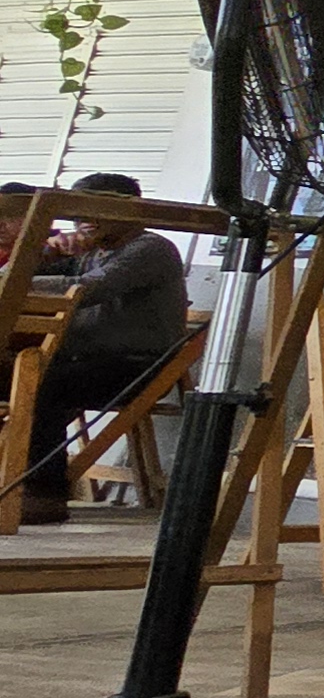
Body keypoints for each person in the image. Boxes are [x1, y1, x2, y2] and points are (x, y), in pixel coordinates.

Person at [21, 177, 194, 523]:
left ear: (130, 212)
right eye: (79, 212)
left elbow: (88, 289)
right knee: (15, 375)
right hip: (84, 360)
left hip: (136, 365)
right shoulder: (90, 252)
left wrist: (37, 271)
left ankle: (45, 498)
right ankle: (18, 483)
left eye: (96, 211)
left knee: (45, 387)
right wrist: (44, 252)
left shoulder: (151, 249)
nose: (85, 221)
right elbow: (17, 277)